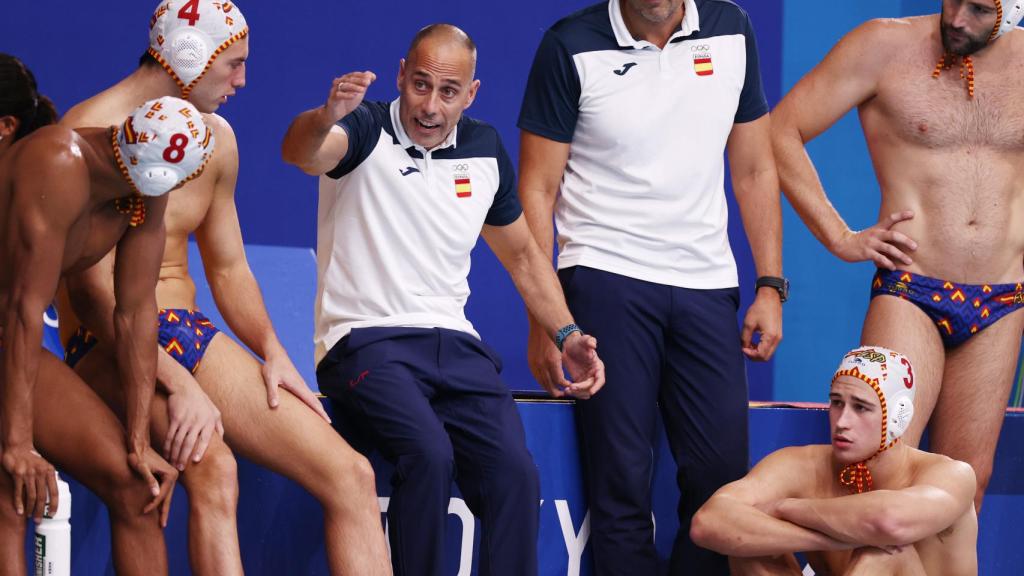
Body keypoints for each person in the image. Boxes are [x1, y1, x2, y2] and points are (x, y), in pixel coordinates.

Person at [55, 2, 392, 573]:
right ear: (187, 58)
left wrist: (272, 349)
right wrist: (174, 380)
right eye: (233, 64)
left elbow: (229, 268)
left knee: (351, 473)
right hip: (107, 343)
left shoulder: (215, 138)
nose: (243, 81)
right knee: (214, 467)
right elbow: (92, 298)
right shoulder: (84, 134)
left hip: (186, 333)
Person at [281, 23, 606, 576]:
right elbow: (301, 152)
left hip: (455, 346)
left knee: (515, 474)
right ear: (401, 76)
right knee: (428, 454)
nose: (430, 106)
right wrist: (325, 115)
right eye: (421, 85)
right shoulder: (363, 129)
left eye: (448, 91)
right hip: (364, 341)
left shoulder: (485, 150)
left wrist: (567, 334)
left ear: (471, 94)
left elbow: (524, 257)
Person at [517, 0, 784, 573]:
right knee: (621, 483)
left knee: (721, 482)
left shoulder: (732, 29)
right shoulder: (568, 44)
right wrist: (546, 320)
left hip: (706, 282)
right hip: (603, 277)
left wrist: (769, 284)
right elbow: (536, 189)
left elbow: (756, 168)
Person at [771, 0, 1024, 510]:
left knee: (966, 483)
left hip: (1003, 296)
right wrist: (839, 236)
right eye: (953, 0)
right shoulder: (882, 45)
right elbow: (779, 129)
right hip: (912, 288)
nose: (957, 19)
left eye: (979, 9)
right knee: (881, 471)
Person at [1, 89, 204, 574]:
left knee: (138, 488)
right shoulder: (59, 163)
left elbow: (135, 314)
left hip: (9, 338)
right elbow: (24, 309)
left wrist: (139, 441)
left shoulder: (145, 192)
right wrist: (17, 444)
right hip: (12, 325)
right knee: (11, 491)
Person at [691, 346, 978, 575]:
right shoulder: (803, 464)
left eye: (861, 408)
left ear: (897, 417)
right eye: (837, 403)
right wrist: (825, 539)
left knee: (883, 554)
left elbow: (888, 523)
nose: (842, 422)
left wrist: (783, 508)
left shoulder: (951, 474)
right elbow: (708, 522)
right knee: (750, 545)